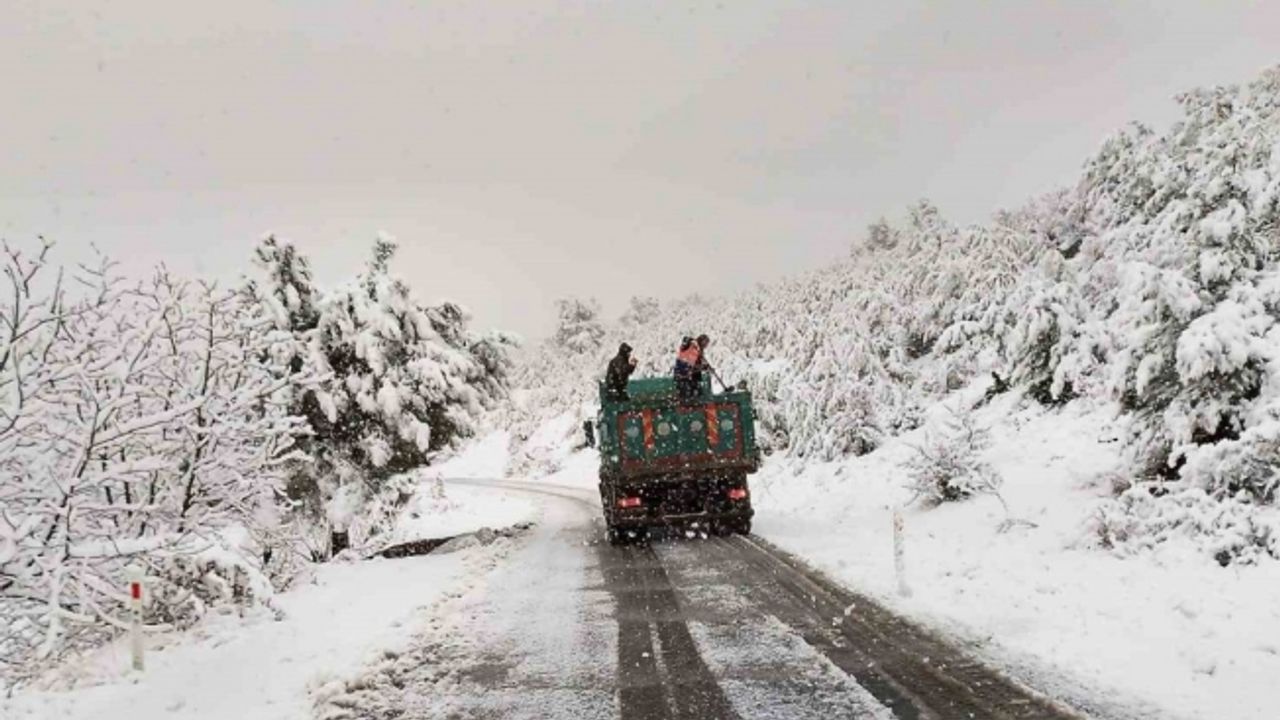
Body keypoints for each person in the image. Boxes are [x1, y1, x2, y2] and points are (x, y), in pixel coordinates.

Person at [673, 334, 711, 400]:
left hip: (684, 374)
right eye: (706, 344)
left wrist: (703, 367)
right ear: (702, 342)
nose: (706, 346)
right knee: (687, 395)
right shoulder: (694, 348)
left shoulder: (696, 348)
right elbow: (691, 364)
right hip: (685, 375)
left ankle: (693, 398)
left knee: (688, 393)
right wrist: (703, 367)